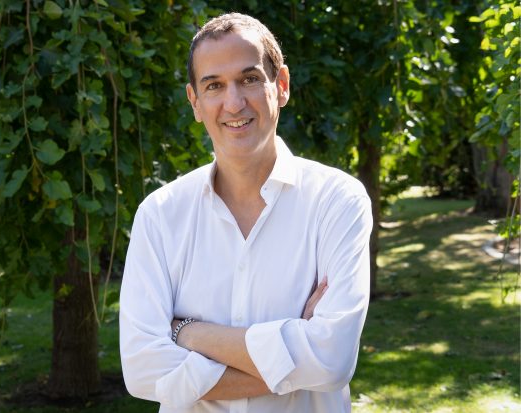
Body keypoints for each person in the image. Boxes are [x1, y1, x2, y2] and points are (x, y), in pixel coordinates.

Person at [119, 12, 372, 413]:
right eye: (214, 85)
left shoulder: (336, 201)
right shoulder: (160, 216)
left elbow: (332, 359)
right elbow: (141, 370)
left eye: (250, 79)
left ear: (281, 85)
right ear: (195, 102)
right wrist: (295, 362)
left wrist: (187, 332)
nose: (234, 103)